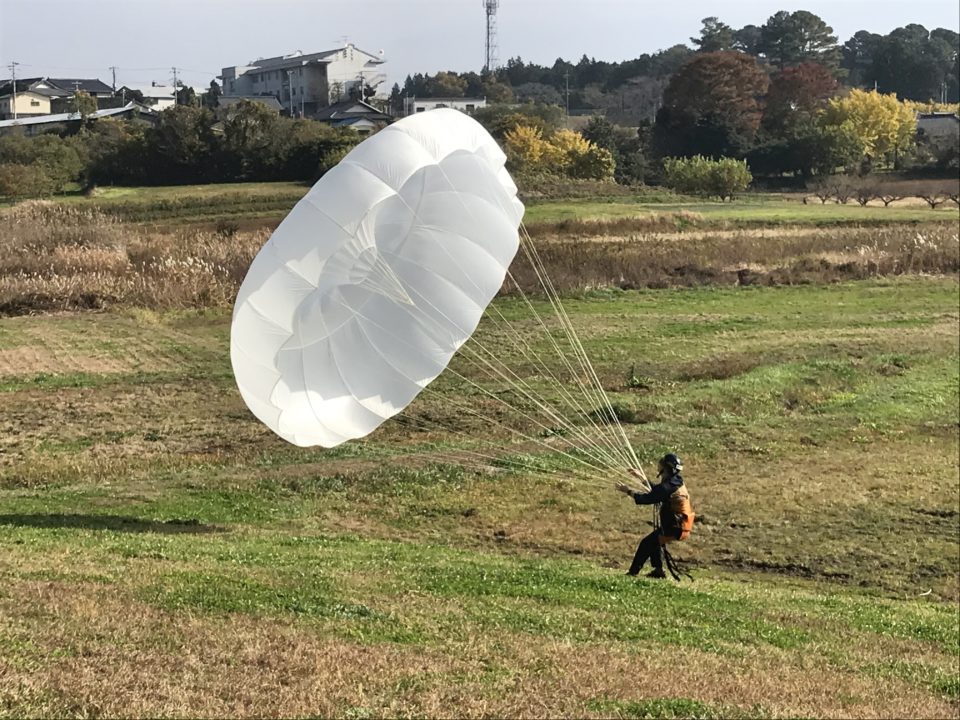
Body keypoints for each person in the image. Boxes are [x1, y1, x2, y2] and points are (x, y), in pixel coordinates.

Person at [616, 452, 695, 578]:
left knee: (646, 543)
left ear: (665, 468)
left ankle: (632, 573)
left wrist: (628, 491)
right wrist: (642, 478)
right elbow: (658, 491)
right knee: (655, 542)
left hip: (675, 527)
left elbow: (647, 498)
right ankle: (658, 571)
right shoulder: (675, 482)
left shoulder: (667, 486)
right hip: (679, 526)